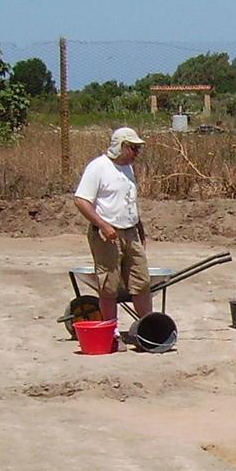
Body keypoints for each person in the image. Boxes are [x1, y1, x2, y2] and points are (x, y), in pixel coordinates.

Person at [73, 126, 153, 332]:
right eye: (133, 149)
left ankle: (148, 328)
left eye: (138, 149)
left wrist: (140, 229)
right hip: (107, 234)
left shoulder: (128, 168)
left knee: (142, 282)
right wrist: (103, 225)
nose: (136, 153)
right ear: (121, 146)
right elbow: (81, 201)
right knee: (109, 286)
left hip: (131, 231)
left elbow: (129, 201)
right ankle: (111, 332)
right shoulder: (98, 167)